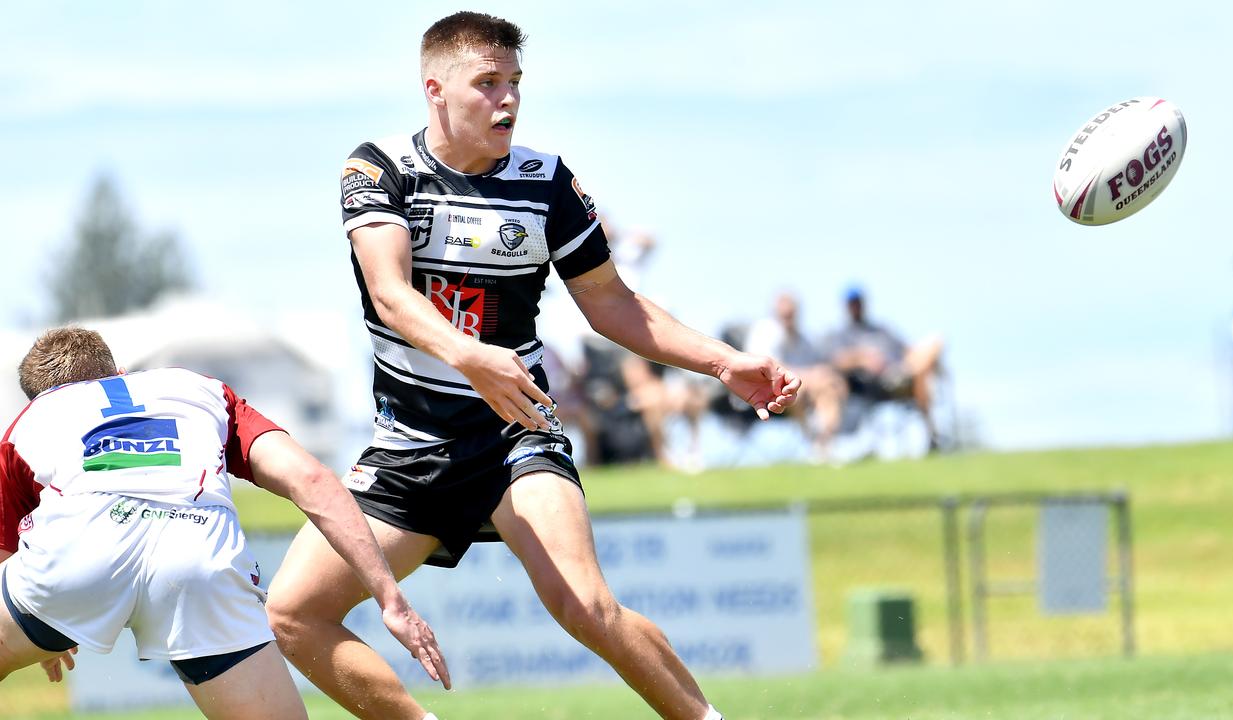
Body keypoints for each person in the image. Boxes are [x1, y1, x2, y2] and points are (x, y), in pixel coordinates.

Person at [265, 11, 800, 720]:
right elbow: (391, 295)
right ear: (436, 90)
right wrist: (468, 354)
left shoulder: (548, 183)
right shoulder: (380, 169)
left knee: (584, 605)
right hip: (412, 447)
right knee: (293, 613)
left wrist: (723, 361)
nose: (508, 99)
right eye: (487, 83)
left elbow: (613, 305)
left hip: (515, 431)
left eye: (514, 82)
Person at [0, 328, 449, 720]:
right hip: (200, 559)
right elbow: (312, 480)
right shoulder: (199, 390)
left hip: (79, 554)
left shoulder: (29, 423)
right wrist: (391, 600)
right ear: (118, 371)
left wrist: (41, 621)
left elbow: (5, 556)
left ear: (39, 394)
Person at [826, 286, 945, 450]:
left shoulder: (882, 330)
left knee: (935, 342)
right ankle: (931, 431)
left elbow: (906, 350)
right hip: (876, 383)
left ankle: (932, 430)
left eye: (858, 302)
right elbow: (835, 362)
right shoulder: (841, 335)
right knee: (921, 373)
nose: (856, 306)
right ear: (846, 306)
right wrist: (861, 359)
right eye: (852, 303)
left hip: (900, 371)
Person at [744, 292, 847, 460]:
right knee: (795, 388)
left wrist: (828, 377)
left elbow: (818, 366)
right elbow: (769, 368)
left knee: (830, 386)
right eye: (784, 314)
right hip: (766, 392)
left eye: (791, 314)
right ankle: (812, 438)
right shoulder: (765, 331)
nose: (788, 318)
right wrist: (811, 376)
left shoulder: (805, 339)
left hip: (807, 390)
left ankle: (826, 443)